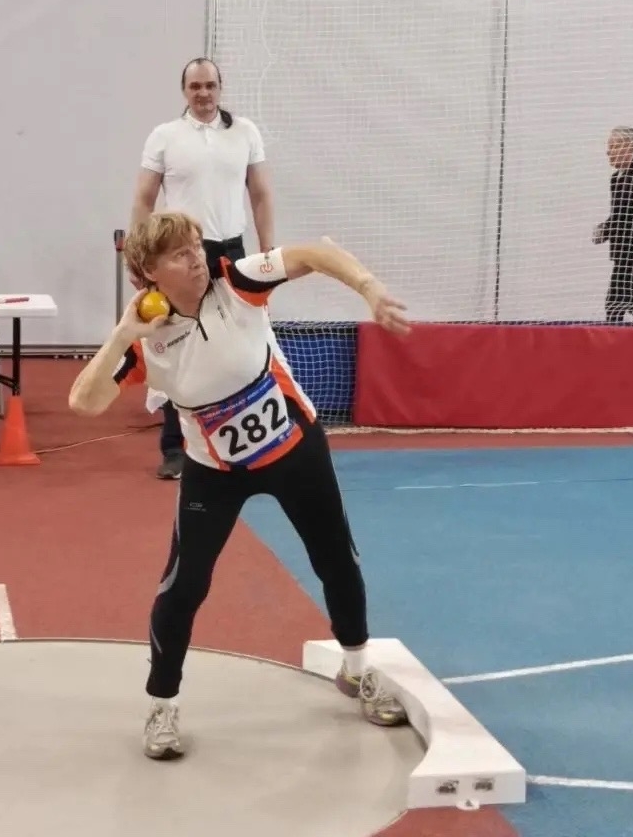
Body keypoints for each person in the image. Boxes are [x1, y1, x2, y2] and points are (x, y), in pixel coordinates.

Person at [69, 212, 412, 761]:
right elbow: (84, 402)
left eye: (196, 246)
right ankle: (162, 704)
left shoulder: (237, 280)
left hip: (295, 449)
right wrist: (123, 334)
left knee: (336, 559)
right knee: (183, 586)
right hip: (214, 472)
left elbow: (312, 254)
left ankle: (357, 670)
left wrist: (369, 288)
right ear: (150, 273)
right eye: (180, 255)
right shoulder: (145, 342)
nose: (197, 259)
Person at [131, 57, 275, 480]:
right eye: (195, 86)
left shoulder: (245, 132)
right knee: (178, 343)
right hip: (181, 255)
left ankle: (245, 441)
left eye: (210, 85)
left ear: (220, 87)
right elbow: (143, 199)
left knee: (241, 340)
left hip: (233, 250)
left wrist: (269, 250)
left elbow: (261, 194)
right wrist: (140, 258)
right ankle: (176, 448)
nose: (203, 93)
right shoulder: (164, 137)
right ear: (184, 91)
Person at [593, 126, 633, 324]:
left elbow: (632, 218)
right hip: (624, 254)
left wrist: (607, 229)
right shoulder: (616, 179)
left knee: (621, 303)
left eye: (613, 146)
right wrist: (605, 229)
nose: (608, 152)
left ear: (629, 147)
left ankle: (614, 338)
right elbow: (620, 214)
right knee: (618, 304)